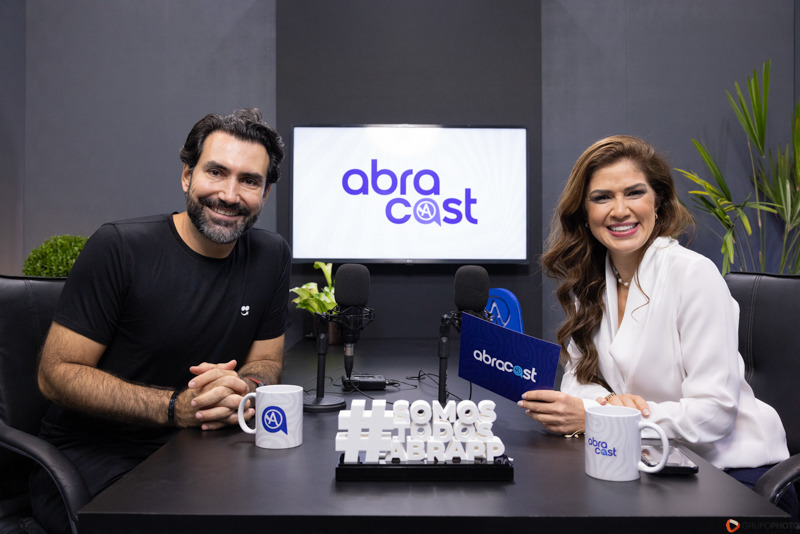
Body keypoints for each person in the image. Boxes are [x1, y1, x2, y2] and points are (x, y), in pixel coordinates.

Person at [31, 108, 291, 533]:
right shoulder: (120, 247)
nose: (229, 194)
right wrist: (174, 407)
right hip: (93, 459)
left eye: (249, 181)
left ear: (265, 193)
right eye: (216, 172)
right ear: (187, 176)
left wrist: (244, 388)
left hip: (203, 452)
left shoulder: (271, 255)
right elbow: (55, 374)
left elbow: (266, 360)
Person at [519, 135, 796, 517]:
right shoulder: (590, 282)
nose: (620, 210)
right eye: (602, 197)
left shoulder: (693, 275)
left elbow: (713, 413)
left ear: (659, 201)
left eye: (634, 193)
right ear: (584, 212)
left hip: (733, 473)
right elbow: (578, 381)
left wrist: (607, 416)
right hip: (651, 461)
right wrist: (609, 403)